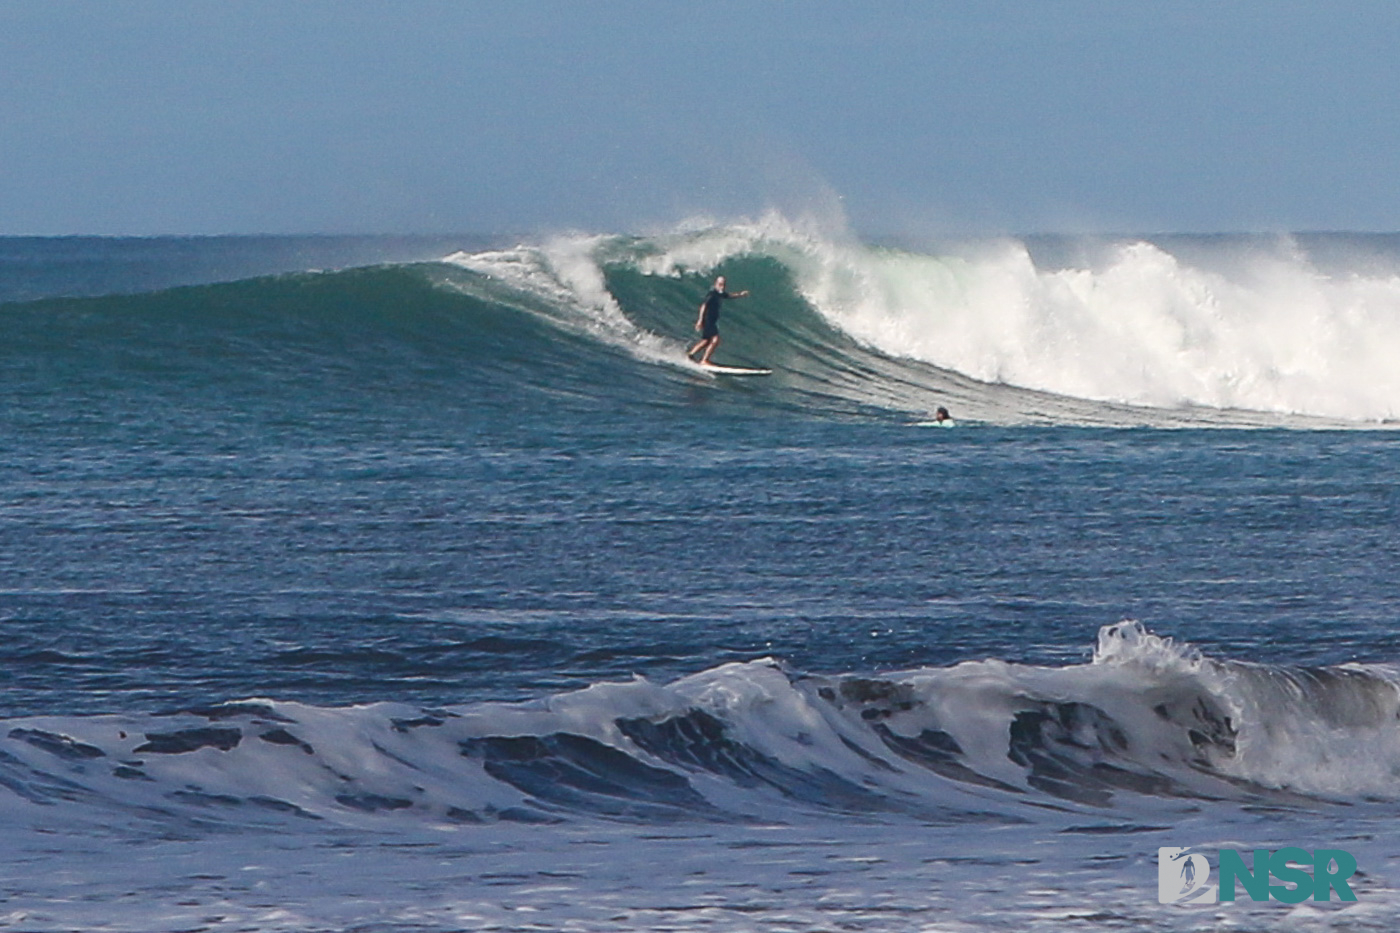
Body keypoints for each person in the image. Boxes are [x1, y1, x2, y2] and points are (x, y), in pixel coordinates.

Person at [687, 275, 749, 365]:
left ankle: (691, 354)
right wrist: (700, 320)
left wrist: (740, 294)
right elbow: (704, 306)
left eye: (723, 285)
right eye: (720, 284)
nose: (722, 287)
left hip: (712, 321)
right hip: (708, 320)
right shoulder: (712, 294)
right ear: (716, 284)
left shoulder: (720, 293)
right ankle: (704, 360)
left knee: (706, 341)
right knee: (716, 340)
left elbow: (729, 295)